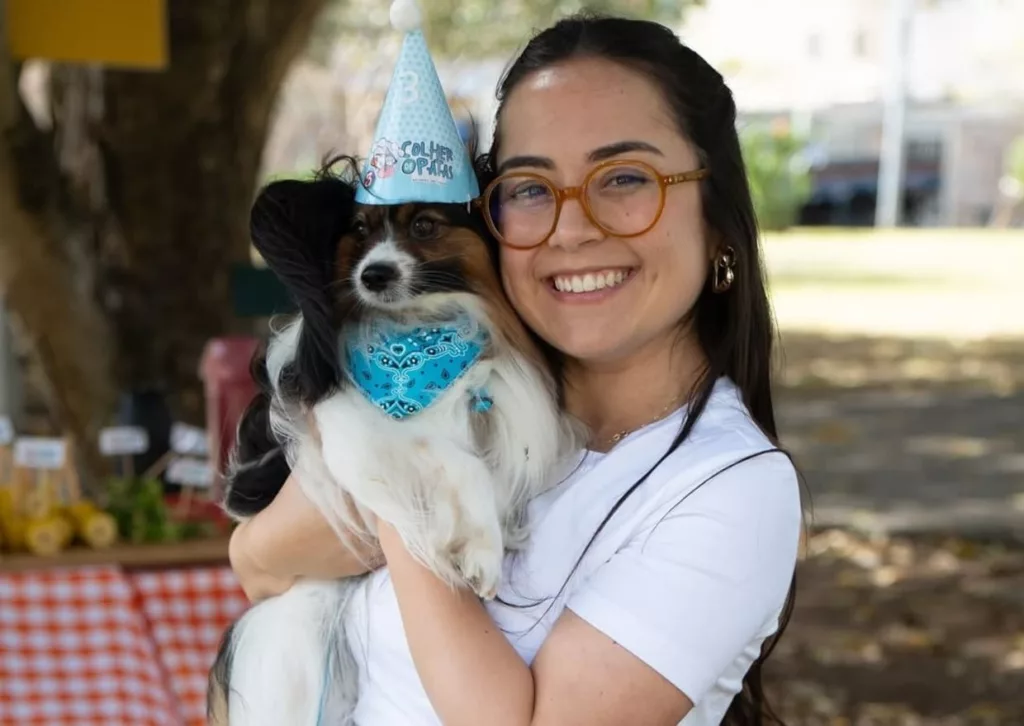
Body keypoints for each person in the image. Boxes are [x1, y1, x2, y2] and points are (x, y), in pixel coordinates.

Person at [228, 13, 803, 726]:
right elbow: (257, 565)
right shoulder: (481, 401)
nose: (572, 227)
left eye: (624, 177)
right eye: (531, 187)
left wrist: (389, 471)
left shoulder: (730, 490)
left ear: (717, 222)